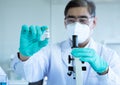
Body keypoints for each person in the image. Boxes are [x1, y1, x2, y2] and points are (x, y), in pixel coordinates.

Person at [11, 0, 120, 85]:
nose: (76, 25)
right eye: (71, 20)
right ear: (65, 23)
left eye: (83, 20)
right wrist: (25, 56)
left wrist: (104, 71)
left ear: (94, 22)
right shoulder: (51, 51)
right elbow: (29, 75)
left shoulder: (109, 55)